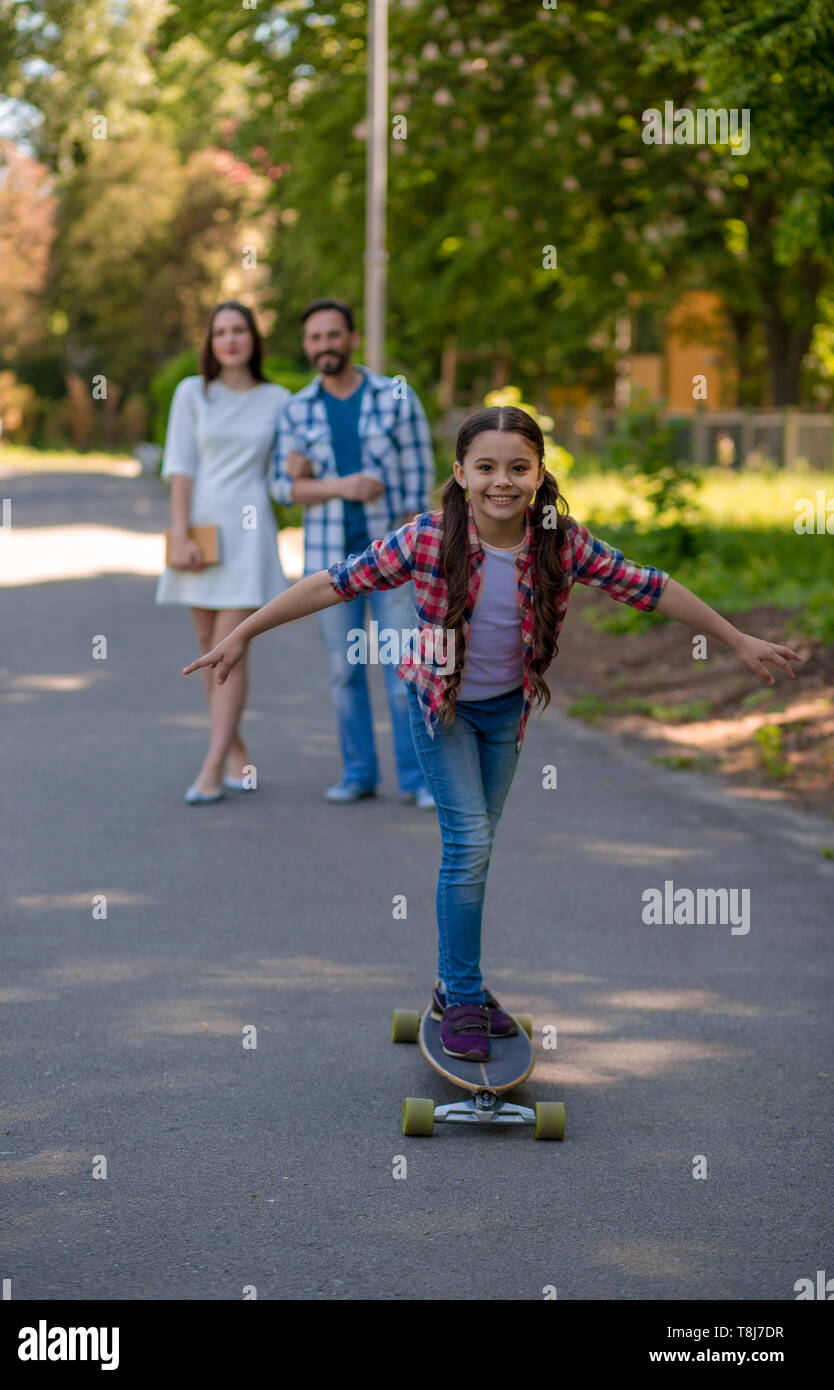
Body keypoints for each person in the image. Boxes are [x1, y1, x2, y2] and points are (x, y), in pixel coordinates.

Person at [183, 404, 802, 1058]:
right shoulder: (425, 537)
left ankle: (455, 989)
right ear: (460, 472)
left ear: (538, 473)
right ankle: (467, 996)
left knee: (475, 850)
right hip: (441, 708)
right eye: (485, 467)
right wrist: (243, 633)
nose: (501, 481)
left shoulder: (560, 540)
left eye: (517, 467)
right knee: (470, 842)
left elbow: (648, 587)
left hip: (506, 710)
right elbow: (334, 585)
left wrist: (734, 638)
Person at [269, 298, 436, 808]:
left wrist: (417, 548)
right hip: (328, 564)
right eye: (315, 338)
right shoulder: (297, 409)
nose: (325, 346)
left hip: (392, 560)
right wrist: (341, 485)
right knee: (345, 671)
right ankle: (358, 773)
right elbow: (283, 489)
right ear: (307, 345)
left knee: (404, 668)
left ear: (352, 338)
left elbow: (419, 477)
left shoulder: (396, 396)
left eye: (333, 335)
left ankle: (421, 780)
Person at [156, 301, 292, 804]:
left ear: (254, 339)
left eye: (239, 330)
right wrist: (181, 533)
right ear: (210, 342)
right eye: (220, 332)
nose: (230, 339)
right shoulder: (193, 392)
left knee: (228, 651)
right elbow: (180, 467)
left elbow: (287, 469)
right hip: (201, 529)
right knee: (206, 646)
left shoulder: (279, 398)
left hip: (250, 532)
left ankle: (211, 767)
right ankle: (237, 752)